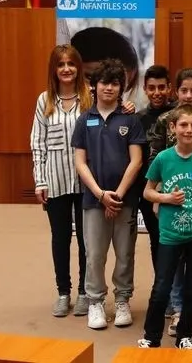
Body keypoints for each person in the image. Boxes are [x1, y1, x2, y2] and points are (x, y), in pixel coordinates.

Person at [137, 104, 192, 349]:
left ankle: (185, 335)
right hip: (170, 234)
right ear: (173, 127)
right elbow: (148, 192)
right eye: (183, 125)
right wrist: (166, 199)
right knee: (162, 286)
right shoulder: (163, 159)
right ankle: (151, 336)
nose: (189, 129)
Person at [71, 59, 146, 330]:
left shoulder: (131, 119)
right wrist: (101, 194)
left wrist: (117, 194)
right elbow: (80, 162)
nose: (109, 88)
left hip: (124, 199)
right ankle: (96, 302)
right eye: (104, 82)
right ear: (94, 86)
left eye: (115, 83)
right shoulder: (84, 120)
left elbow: (136, 161)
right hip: (93, 200)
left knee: (125, 253)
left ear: (121, 88)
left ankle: (123, 299)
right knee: (95, 254)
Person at [30, 44, 93, 318]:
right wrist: (39, 181)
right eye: (61, 64)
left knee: (86, 240)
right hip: (55, 181)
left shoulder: (90, 98)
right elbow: (37, 144)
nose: (66, 69)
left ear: (78, 67)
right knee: (60, 238)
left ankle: (83, 292)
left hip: (85, 182)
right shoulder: (44, 100)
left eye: (71, 64)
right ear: (54, 70)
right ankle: (63, 292)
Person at [134, 65, 175, 269]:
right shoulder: (138, 118)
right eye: (152, 88)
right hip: (149, 190)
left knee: (177, 242)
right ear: (145, 88)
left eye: (161, 87)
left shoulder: (179, 115)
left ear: (169, 87)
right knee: (156, 239)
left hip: (177, 188)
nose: (157, 93)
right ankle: (161, 287)